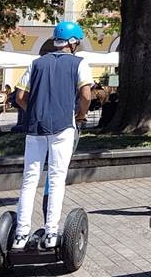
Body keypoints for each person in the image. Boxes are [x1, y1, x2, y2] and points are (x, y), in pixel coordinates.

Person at [11, 21, 93, 250]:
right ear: (73, 42)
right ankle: (51, 232)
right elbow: (86, 95)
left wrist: (35, 111)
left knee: (29, 179)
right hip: (63, 127)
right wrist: (79, 115)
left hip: (35, 128)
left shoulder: (35, 63)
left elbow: (19, 97)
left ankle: (20, 234)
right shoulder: (79, 63)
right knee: (56, 179)